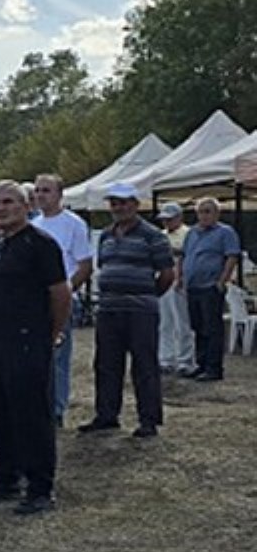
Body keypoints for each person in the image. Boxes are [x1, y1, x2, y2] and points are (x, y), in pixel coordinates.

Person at [0, 180, 71, 515]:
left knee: (31, 413)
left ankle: (40, 486)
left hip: (27, 339)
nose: (0, 208)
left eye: (8, 201)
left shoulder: (41, 244)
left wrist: (51, 334)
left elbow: (60, 293)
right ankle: (5, 476)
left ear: (26, 205)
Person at [80, 183, 174, 438]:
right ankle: (107, 415)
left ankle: (149, 420)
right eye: (114, 203)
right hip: (109, 308)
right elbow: (103, 266)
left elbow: (167, 274)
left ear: (135, 204)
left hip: (140, 310)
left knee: (144, 365)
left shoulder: (153, 235)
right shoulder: (107, 236)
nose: (118, 208)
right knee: (106, 364)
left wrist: (147, 295)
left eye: (123, 202)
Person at [31, 173, 95, 425]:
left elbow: (85, 264)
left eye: (46, 190)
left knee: (58, 358)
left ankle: (56, 409)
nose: (40, 195)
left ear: (59, 194)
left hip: (61, 299)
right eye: (37, 190)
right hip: (34, 300)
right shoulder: (34, 224)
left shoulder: (73, 224)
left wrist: (66, 293)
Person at [181, 197, 243, 382]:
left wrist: (221, 282)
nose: (204, 216)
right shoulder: (191, 233)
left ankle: (213, 368)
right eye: (201, 212)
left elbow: (232, 256)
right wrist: (182, 278)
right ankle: (200, 364)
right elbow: (185, 256)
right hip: (193, 286)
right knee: (197, 326)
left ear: (217, 214)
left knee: (212, 328)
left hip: (210, 286)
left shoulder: (225, 232)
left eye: (208, 211)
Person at [155, 204, 197, 375]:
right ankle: (166, 357)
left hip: (179, 281)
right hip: (163, 279)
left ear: (179, 218)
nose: (166, 222)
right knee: (165, 321)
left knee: (182, 321)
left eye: (170, 219)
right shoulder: (161, 235)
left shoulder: (188, 233)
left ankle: (184, 359)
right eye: (164, 219)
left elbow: (185, 254)